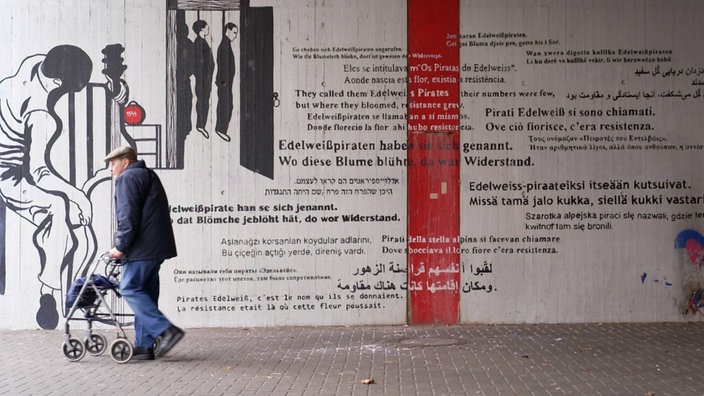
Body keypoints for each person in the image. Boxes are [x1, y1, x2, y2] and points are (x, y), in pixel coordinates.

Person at [0, 45, 95, 329]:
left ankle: (49, 244)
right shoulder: (38, 111)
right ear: (56, 83)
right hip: (8, 176)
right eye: (66, 90)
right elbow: (38, 172)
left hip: (13, 173)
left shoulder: (32, 65)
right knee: (59, 207)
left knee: (61, 222)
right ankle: (49, 290)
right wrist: (79, 197)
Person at [105, 145, 183, 360]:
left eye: (113, 164)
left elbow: (127, 217)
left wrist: (120, 247)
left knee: (129, 288)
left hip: (141, 249)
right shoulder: (149, 175)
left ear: (125, 161)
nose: (111, 169)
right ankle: (144, 345)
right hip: (156, 248)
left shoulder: (128, 179)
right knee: (146, 293)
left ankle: (166, 331)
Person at [215, 22, 238, 142]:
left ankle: (221, 129)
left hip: (226, 83)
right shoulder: (224, 45)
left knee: (227, 105)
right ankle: (221, 129)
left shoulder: (226, 44)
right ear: (227, 31)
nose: (235, 36)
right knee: (226, 105)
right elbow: (223, 66)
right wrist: (223, 83)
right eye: (234, 32)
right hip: (224, 83)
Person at [193, 20, 214, 139]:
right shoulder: (198, 42)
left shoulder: (202, 42)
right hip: (202, 79)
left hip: (205, 78)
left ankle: (202, 124)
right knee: (202, 101)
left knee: (204, 101)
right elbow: (199, 63)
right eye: (207, 28)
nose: (208, 29)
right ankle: (200, 125)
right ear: (201, 29)